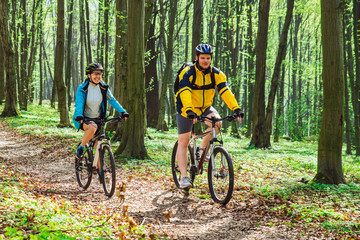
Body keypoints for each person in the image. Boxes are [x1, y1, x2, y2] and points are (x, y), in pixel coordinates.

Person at [175, 43, 244, 189]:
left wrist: (236, 108)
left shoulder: (216, 74)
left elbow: (225, 92)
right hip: (186, 107)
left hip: (205, 106)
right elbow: (185, 92)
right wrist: (189, 110)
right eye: (202, 58)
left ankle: (201, 148)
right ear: (196, 58)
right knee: (184, 140)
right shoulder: (188, 72)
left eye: (208, 58)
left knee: (217, 124)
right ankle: (184, 177)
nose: (205, 61)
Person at [73, 62, 128, 161]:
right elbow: (79, 103)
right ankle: (81, 147)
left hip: (99, 119)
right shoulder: (82, 88)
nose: (98, 76)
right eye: (95, 74)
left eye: (99, 74)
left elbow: (112, 100)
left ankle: (100, 173)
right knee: (92, 127)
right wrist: (79, 115)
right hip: (84, 119)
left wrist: (122, 111)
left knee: (99, 149)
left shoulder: (103, 88)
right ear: (89, 75)